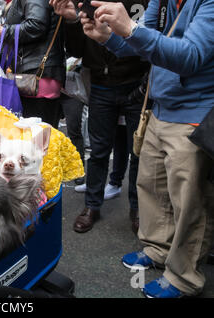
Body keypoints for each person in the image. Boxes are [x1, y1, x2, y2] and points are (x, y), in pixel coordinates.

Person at [71, 0, 214, 298]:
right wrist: (107, 36)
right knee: (152, 186)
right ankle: (158, 249)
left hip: (194, 116)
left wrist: (131, 28)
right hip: (160, 108)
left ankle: (184, 276)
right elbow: (139, 47)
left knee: (190, 204)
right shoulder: (160, 1)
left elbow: (191, 56)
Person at [50, 0, 148, 234]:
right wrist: (72, 20)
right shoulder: (86, 2)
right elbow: (76, 50)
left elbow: (148, 41)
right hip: (101, 86)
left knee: (139, 151)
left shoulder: (143, 3)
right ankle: (92, 206)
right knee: (98, 150)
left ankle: (137, 209)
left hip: (136, 82)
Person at [0, 0, 66, 129]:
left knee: (37, 141)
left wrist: (3, 31)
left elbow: (36, 25)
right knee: (36, 141)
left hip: (36, 78)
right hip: (34, 76)